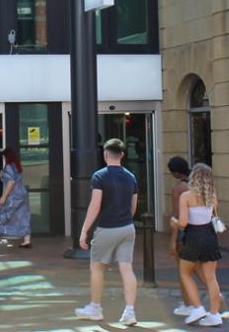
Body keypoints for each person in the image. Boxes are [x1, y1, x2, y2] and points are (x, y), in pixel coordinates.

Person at [75, 138, 139, 326]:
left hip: (106, 227)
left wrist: (84, 230)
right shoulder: (131, 177)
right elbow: (133, 206)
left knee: (97, 267)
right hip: (127, 227)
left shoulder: (99, 176)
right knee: (127, 269)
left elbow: (95, 205)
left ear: (105, 155)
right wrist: (125, 218)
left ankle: (95, 308)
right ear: (122, 155)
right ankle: (130, 312)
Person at [169, 163, 224, 327]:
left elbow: (184, 223)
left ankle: (197, 307)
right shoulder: (212, 196)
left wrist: (174, 222)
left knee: (185, 272)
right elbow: (213, 215)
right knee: (211, 277)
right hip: (210, 237)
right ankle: (214, 314)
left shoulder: (186, 196)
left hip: (193, 237)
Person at [166, 156, 197, 316]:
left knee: (183, 272)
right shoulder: (197, 186)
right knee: (199, 269)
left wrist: (172, 241)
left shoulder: (179, 190)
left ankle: (188, 304)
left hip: (183, 232)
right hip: (199, 231)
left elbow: (177, 215)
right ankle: (216, 296)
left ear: (176, 173)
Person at [0, 147, 31, 248]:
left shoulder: (9, 166)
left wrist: (4, 196)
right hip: (22, 195)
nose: (4, 158)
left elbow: (11, 182)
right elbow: (12, 178)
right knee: (23, 217)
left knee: (3, 216)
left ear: (7, 156)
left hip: (13, 197)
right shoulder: (17, 166)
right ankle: (27, 240)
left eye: (4, 156)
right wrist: (1, 175)